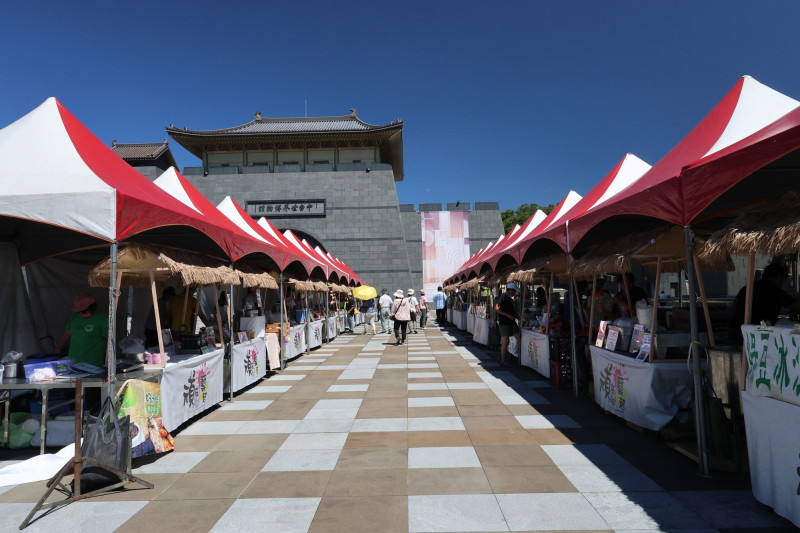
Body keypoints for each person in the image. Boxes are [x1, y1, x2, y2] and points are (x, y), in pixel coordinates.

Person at [733, 262, 800, 342]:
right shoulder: (776, 291)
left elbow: (734, 305)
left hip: (737, 330)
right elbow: (797, 306)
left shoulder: (747, 288)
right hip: (759, 333)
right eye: (783, 280)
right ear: (779, 277)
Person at [495, 282, 520, 366]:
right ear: (510, 290)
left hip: (512, 323)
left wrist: (518, 317)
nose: (514, 293)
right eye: (514, 291)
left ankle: (519, 357)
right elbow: (497, 309)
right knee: (506, 340)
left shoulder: (510, 299)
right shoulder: (502, 297)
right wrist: (508, 315)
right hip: (504, 323)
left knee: (519, 338)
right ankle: (503, 360)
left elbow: (512, 312)